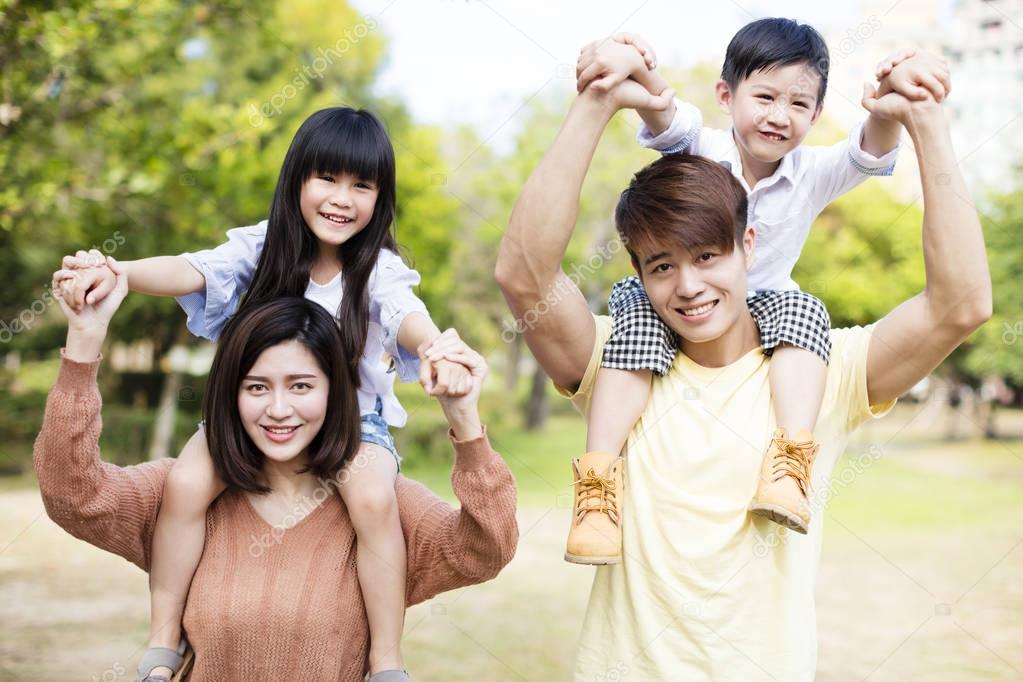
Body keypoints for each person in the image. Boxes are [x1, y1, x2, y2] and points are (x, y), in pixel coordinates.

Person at [495, 54, 990, 679]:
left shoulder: (820, 370)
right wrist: (596, 100)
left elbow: (961, 303)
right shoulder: (619, 359)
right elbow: (522, 274)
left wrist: (927, 123)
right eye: (661, 266)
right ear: (639, 275)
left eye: (707, 255)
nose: (689, 286)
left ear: (748, 246)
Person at [58, 107, 474, 681]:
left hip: (354, 425)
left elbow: (408, 315)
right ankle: (162, 642)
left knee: (375, 501)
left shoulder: (377, 270)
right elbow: (192, 269)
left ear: (381, 198)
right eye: (326, 178)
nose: (342, 198)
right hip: (249, 418)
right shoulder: (261, 247)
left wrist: (435, 349)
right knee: (184, 484)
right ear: (297, 179)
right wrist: (118, 270)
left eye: (362, 185)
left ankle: (384, 660)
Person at [564, 20, 952, 563]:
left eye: (798, 104)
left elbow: (870, 147)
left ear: (816, 115)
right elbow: (656, 102)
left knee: (806, 313)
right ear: (727, 95)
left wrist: (891, 99)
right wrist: (627, 57)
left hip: (764, 304)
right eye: (764, 96)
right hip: (675, 291)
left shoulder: (813, 171)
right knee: (632, 326)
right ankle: (598, 483)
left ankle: (790, 461)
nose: (778, 115)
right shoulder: (698, 143)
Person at [36, 260, 518, 681]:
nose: (279, 409)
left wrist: (464, 421)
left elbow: (486, 548)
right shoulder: (185, 489)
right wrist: (85, 339)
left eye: (302, 385)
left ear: (336, 392)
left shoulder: (382, 502)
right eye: (257, 388)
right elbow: (71, 495)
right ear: (231, 393)